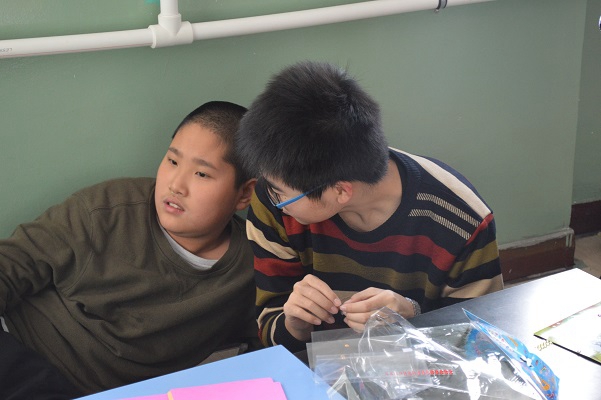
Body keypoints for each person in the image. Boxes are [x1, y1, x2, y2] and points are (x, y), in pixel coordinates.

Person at [235, 61, 504, 353]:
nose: (272, 199)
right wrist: (294, 324)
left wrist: (412, 315)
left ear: (340, 191)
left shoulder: (461, 220)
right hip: (317, 366)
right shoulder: (275, 198)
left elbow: (479, 341)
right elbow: (269, 326)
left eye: (280, 194)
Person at [0, 101, 258, 398]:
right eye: (172, 161)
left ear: (245, 193)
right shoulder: (106, 209)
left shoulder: (253, 265)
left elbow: (270, 344)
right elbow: (11, 264)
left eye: (201, 174)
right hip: (17, 347)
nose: (176, 185)